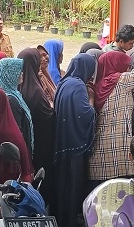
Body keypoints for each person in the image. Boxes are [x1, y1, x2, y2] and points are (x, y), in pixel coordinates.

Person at [88, 51, 134, 185]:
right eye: (126, 65)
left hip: (99, 153)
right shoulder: (119, 80)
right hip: (116, 151)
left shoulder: (100, 83)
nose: (129, 69)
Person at [52, 54, 96, 227]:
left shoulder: (64, 82)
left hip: (63, 142)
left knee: (63, 185)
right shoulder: (79, 86)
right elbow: (85, 114)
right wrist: (91, 98)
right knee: (73, 186)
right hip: (75, 146)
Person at [17, 48, 56, 205]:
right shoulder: (35, 89)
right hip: (42, 143)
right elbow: (48, 117)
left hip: (34, 143)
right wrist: (53, 107)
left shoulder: (24, 83)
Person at [0, 58, 34, 156]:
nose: (22, 73)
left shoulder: (14, 93)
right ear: (9, 75)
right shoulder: (11, 100)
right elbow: (16, 132)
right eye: (18, 71)